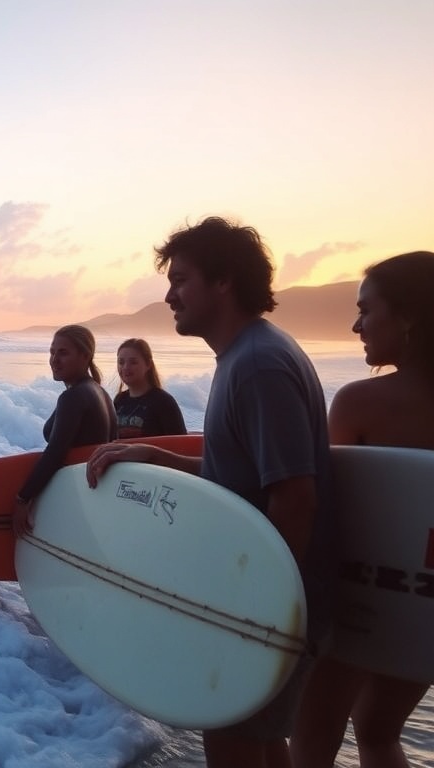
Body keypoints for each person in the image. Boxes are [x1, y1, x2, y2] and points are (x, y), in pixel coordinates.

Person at [85, 217, 335, 768]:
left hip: (268, 600)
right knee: (263, 744)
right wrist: (158, 457)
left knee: (234, 746)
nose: (169, 295)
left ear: (223, 281)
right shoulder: (245, 357)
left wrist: (261, 608)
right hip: (267, 594)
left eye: (181, 280)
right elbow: (245, 476)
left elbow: (296, 496)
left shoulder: (259, 364)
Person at [290, 251, 434, 768]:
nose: (355, 325)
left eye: (366, 310)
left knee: (312, 738)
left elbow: (320, 508)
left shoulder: (359, 404)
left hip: (357, 605)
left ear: (409, 317)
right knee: (376, 731)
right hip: (426, 609)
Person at [12, 324, 117, 537]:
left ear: (85, 355)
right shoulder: (101, 393)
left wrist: (23, 498)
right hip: (96, 496)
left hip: (76, 497)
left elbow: (55, 453)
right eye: (52, 352)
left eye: (63, 352)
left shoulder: (74, 397)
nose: (54, 359)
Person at [114, 337, 188, 438]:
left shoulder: (163, 402)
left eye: (133, 362)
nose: (126, 367)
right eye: (121, 362)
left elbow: (180, 443)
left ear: (148, 364)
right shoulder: (119, 400)